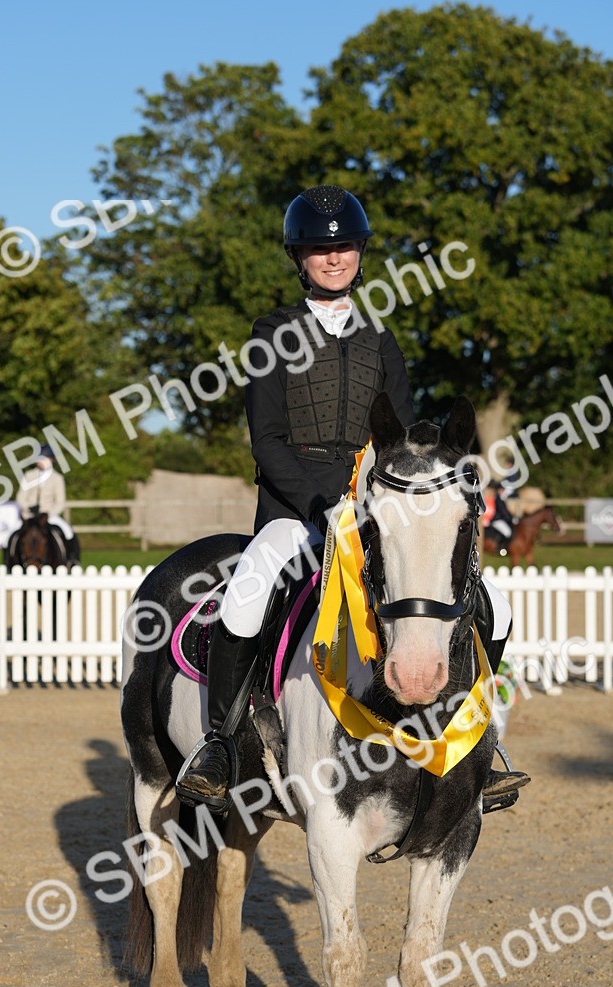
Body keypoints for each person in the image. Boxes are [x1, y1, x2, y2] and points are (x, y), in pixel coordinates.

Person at [177, 185, 528, 812]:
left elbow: (404, 439)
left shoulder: (381, 342)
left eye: (342, 247)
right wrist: (322, 504)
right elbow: (267, 441)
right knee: (247, 594)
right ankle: (219, 745)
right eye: (318, 248)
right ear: (298, 257)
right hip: (296, 511)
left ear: (360, 254)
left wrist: (388, 499)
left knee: (492, 608)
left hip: (374, 510)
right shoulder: (272, 333)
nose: (332, 258)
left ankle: (483, 742)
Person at [14, 445, 79, 563]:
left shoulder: (57, 478)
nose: (40, 461)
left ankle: (72, 559)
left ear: (51, 459)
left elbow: (60, 502)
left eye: (44, 458)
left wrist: (48, 513)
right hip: (29, 516)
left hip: (48, 516)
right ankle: (8, 561)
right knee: (9, 536)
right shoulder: (29, 475)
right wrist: (28, 507)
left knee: (68, 532)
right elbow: (20, 497)